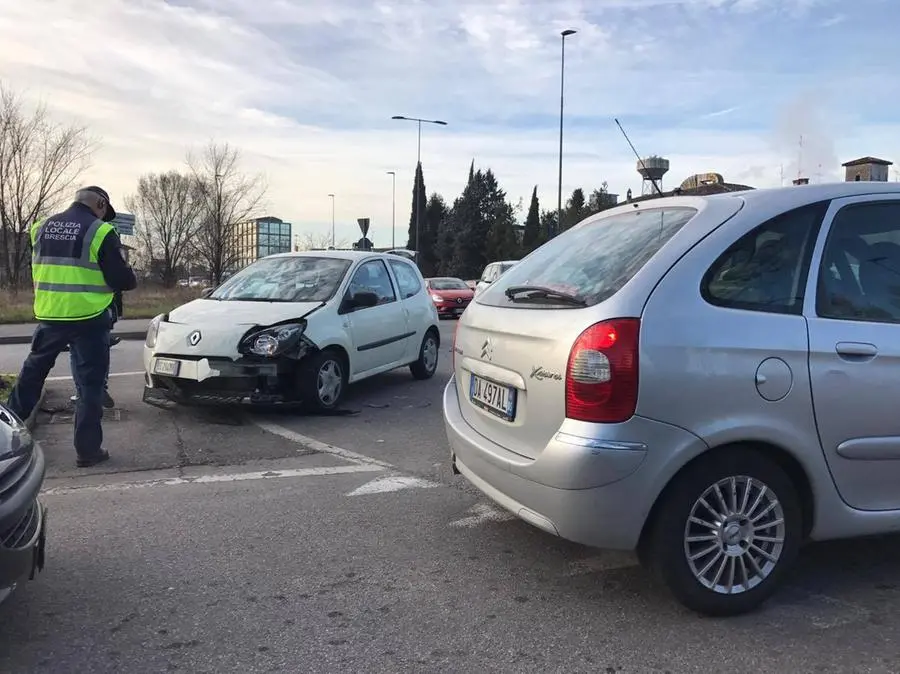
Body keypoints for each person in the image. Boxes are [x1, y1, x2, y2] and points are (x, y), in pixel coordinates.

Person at [7, 186, 137, 467]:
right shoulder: (101, 232)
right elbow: (121, 280)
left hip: (51, 316)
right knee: (90, 385)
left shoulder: (40, 228)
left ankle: (6, 442)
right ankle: (87, 452)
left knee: (31, 377)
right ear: (100, 204)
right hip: (89, 318)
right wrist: (129, 272)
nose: (105, 217)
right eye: (105, 212)